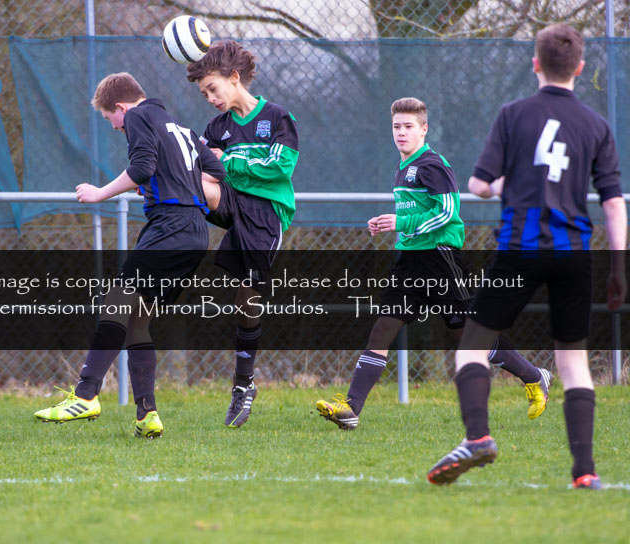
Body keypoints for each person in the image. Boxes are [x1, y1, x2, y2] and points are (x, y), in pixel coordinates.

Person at [427, 24, 626, 489]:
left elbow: (478, 185)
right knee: (572, 362)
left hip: (520, 246)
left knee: (472, 345)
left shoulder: (513, 114)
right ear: (579, 68)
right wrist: (619, 267)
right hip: (574, 253)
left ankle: (478, 437)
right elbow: (614, 205)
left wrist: (505, 185)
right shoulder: (596, 125)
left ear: (535, 64)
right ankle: (585, 472)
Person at [316, 97, 551, 431]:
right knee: (383, 328)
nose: (401, 132)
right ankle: (351, 409)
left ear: (424, 129)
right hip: (410, 262)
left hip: (440, 259)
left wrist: (401, 222)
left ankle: (534, 376)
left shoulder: (432, 164)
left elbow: (447, 213)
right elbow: (416, 212)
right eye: (396, 126)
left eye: (408, 126)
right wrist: (391, 223)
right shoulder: (402, 166)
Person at [32, 72, 225, 438]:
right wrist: (170, 180)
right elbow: (217, 171)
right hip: (195, 232)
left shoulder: (138, 116)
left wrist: (99, 193)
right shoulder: (181, 128)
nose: (116, 127)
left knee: (116, 301)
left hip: (170, 227)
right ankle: (146, 415)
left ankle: (85, 394)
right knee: (137, 320)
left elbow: (141, 168)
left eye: (111, 119)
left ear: (121, 107)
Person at [186, 40, 299, 428]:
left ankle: (244, 383)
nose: (210, 99)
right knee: (195, 184)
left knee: (246, 298)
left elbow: (280, 167)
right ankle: (182, 238)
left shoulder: (277, 117)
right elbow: (202, 165)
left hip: (266, 211)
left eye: (212, 89)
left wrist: (230, 160)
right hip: (233, 200)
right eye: (204, 94)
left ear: (234, 78)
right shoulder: (217, 127)